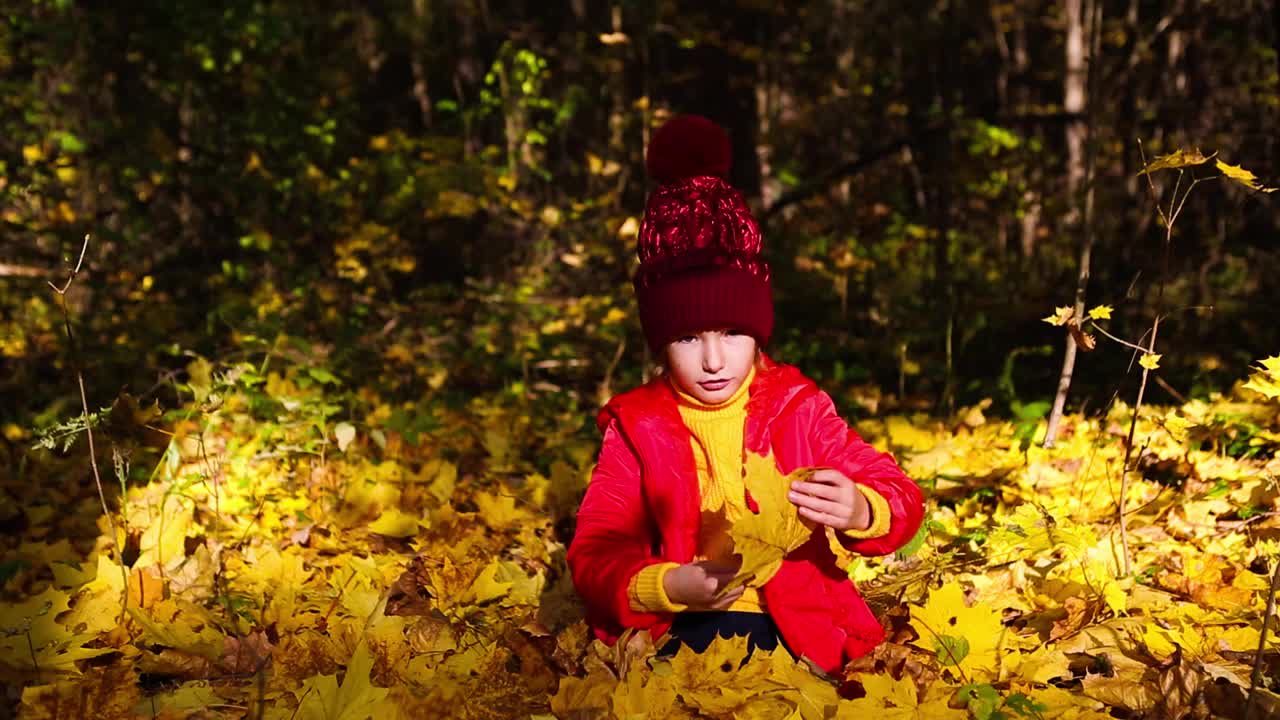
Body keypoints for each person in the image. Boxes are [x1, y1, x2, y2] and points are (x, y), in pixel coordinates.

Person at [566, 114, 925, 674]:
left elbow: (899, 492)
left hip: (800, 626)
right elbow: (595, 551)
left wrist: (863, 508)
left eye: (733, 333)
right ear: (660, 344)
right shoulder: (638, 427)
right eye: (687, 337)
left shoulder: (797, 407)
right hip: (682, 629)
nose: (713, 360)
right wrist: (664, 585)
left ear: (758, 332)